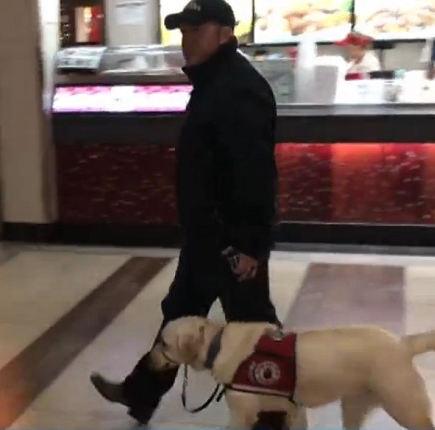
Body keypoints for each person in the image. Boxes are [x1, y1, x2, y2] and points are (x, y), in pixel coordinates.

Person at [89, 0, 282, 424]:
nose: (186, 40)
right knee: (179, 313)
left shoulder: (238, 89)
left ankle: (274, 411)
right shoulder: (215, 83)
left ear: (225, 33)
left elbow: (254, 174)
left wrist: (247, 244)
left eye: (196, 30)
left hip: (230, 241)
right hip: (206, 237)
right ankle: (141, 393)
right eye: (183, 31)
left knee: (254, 329)